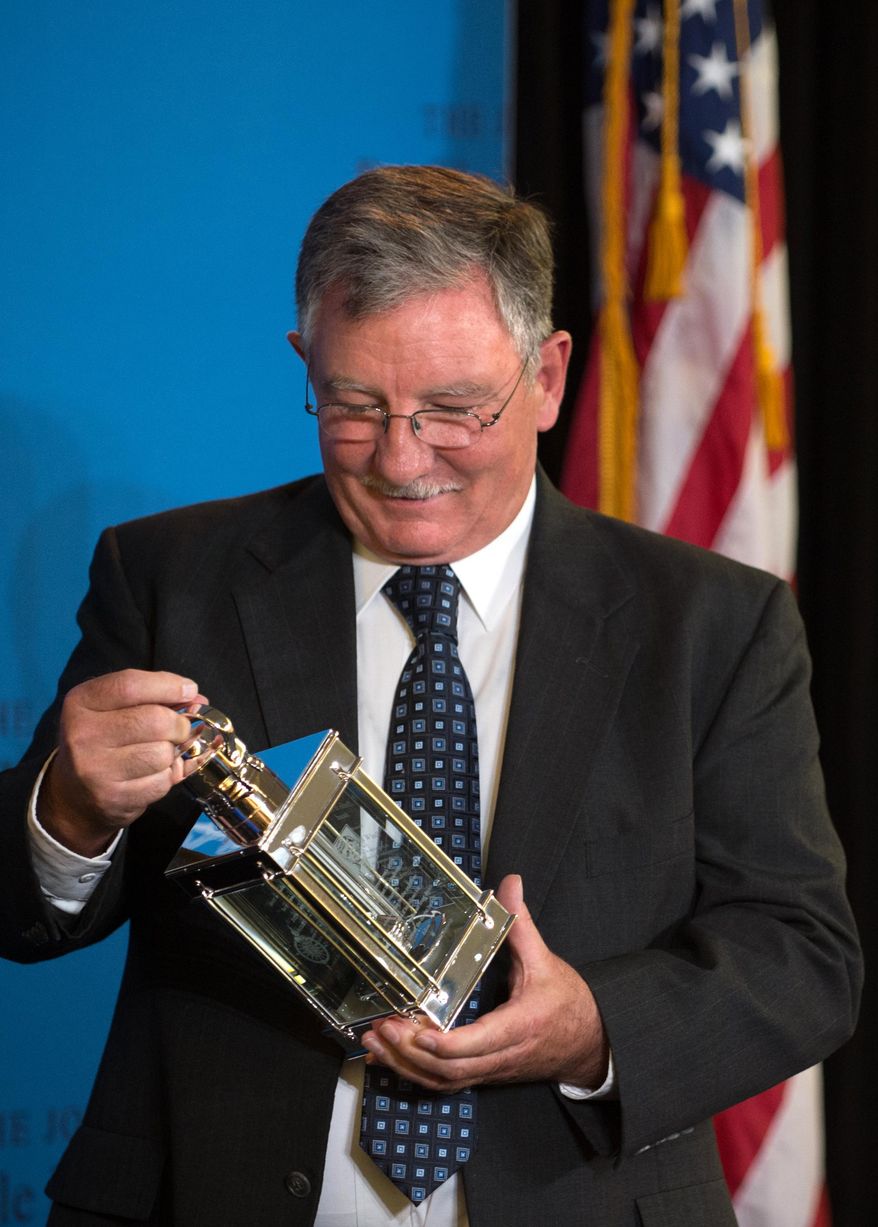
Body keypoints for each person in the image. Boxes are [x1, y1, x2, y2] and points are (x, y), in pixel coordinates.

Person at [0, 165, 861, 1227]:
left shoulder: (711, 627)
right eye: (354, 405)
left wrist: (592, 1027)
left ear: (546, 379)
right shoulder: (169, 577)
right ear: (302, 364)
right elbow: (20, 916)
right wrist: (70, 811)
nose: (402, 459)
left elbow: (800, 955)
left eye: (454, 409)